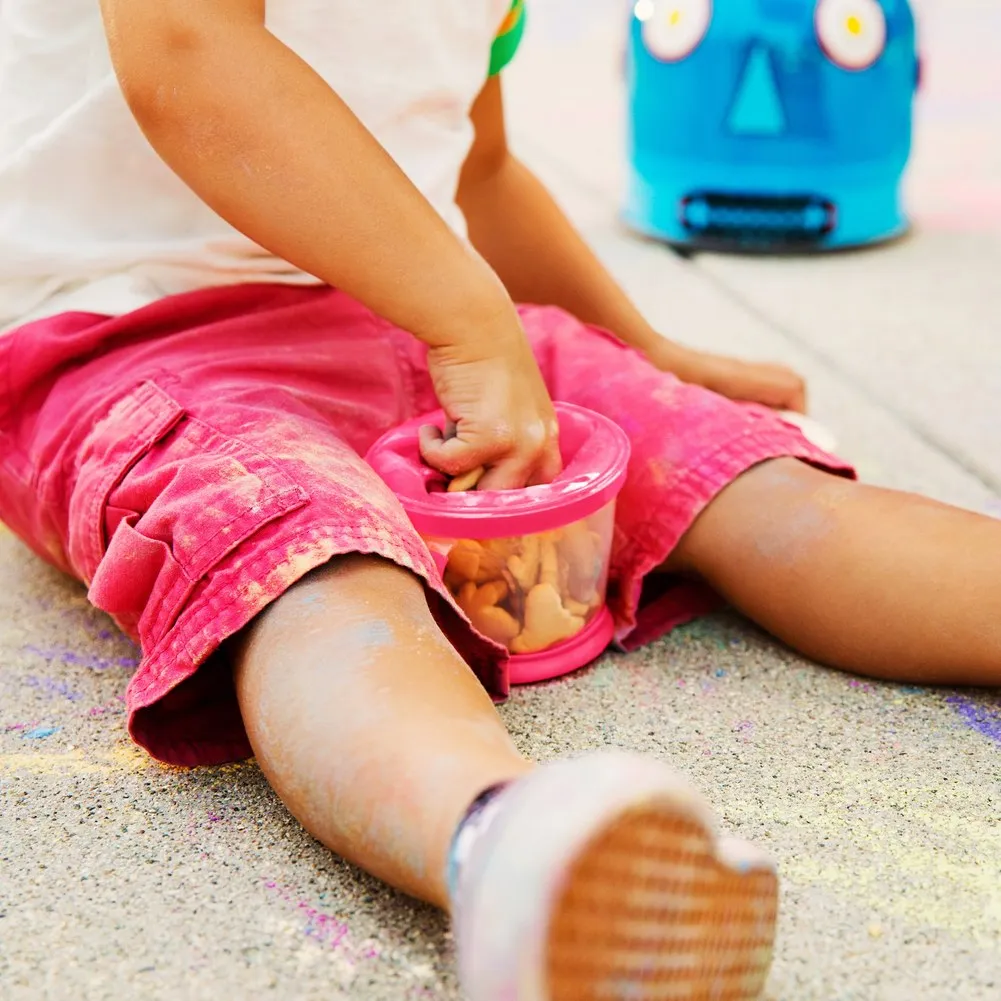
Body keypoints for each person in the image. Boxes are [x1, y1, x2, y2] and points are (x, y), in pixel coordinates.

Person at [1, 2, 998, 998]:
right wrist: (468, 324)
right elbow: (188, 52)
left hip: (422, 316)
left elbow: (474, 170)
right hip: (140, 344)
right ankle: (513, 846)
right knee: (317, 578)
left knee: (753, 484)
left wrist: (642, 354)